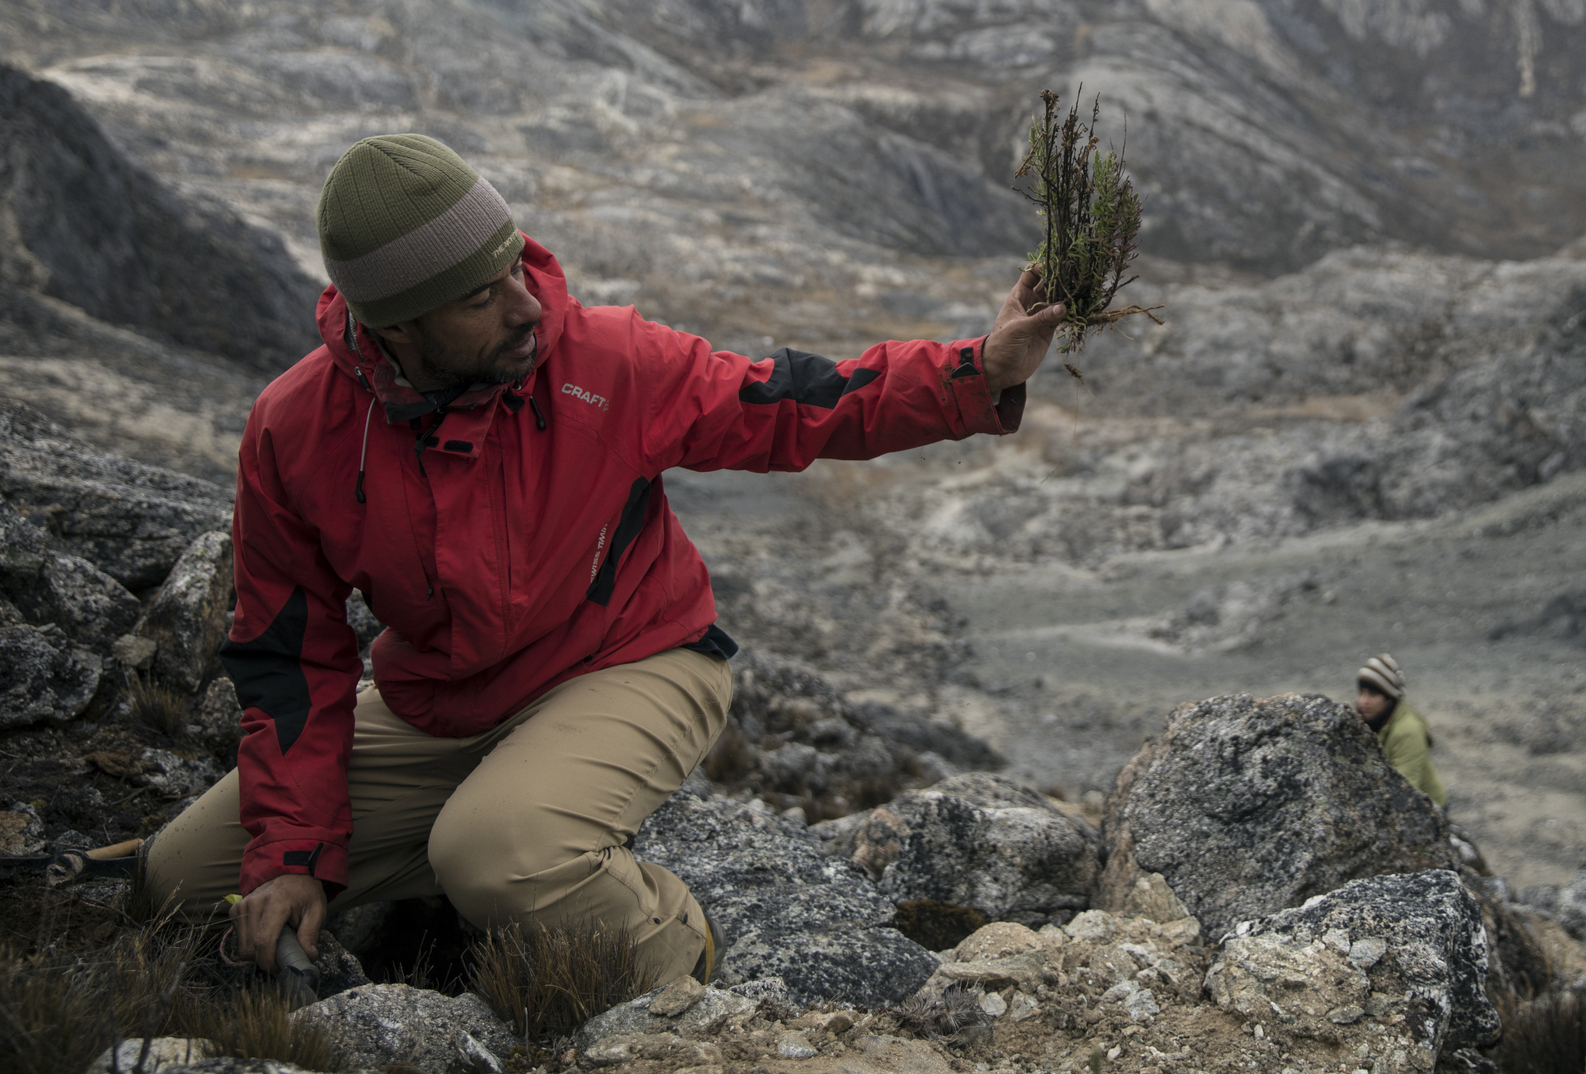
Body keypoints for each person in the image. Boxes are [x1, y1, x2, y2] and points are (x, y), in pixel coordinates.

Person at [145, 133, 1066, 986]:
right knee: (182, 881)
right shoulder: (295, 430)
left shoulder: (602, 361)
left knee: (496, 856)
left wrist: (978, 372)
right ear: (395, 326)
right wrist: (295, 855)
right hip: (444, 702)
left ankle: (682, 958)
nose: (525, 305)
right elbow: (290, 654)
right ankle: (480, 844)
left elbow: (794, 404)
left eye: (515, 268)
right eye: (480, 296)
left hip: (637, 659)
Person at [1356, 653, 1446, 807]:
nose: (1364, 701)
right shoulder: (1366, 721)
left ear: (1389, 698)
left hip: (1429, 810)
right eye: (1362, 692)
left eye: (1373, 694)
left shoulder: (1407, 731)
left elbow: (1406, 787)